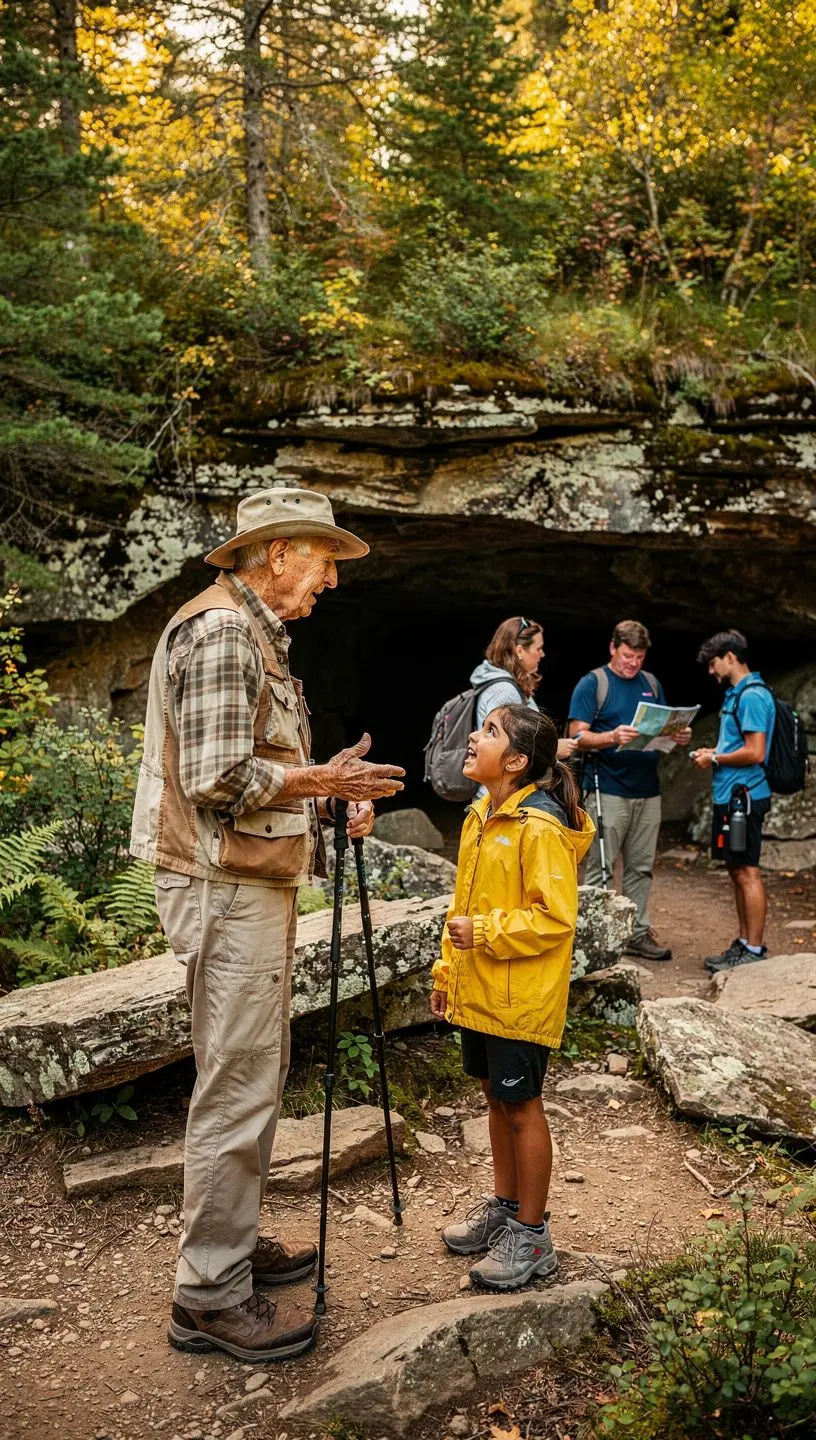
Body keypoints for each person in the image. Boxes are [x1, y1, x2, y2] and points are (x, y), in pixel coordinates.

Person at [130, 487, 405, 1363]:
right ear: (279, 553)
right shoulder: (222, 631)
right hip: (222, 885)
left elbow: (257, 769)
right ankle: (208, 1297)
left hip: (243, 878)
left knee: (252, 1071)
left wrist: (324, 796)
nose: (331, 580)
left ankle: (231, 1247)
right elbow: (214, 777)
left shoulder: (253, 632)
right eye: (324, 560)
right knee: (237, 1082)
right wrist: (321, 782)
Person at [429, 706, 594, 1289]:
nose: (474, 737)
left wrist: (484, 932)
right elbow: (461, 906)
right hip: (482, 991)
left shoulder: (539, 827)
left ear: (517, 761)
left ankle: (533, 1234)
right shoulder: (482, 814)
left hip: (520, 998)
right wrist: (446, 974)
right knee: (495, 1098)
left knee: (522, 1107)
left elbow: (556, 919)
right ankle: (505, 1208)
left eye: (490, 732)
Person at [567, 620, 691, 962]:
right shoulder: (594, 683)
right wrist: (611, 737)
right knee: (602, 866)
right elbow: (575, 735)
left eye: (639, 657)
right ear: (613, 648)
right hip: (607, 787)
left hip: (647, 789)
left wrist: (678, 736)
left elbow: (661, 727)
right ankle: (594, 936)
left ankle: (636, 933)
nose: (632, 663)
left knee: (641, 866)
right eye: (627, 656)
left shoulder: (650, 683)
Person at [692, 628, 775, 972]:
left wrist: (715, 758)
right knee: (736, 870)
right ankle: (743, 943)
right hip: (732, 795)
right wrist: (716, 751)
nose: (711, 670)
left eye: (714, 663)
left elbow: (755, 752)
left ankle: (753, 949)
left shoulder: (752, 696)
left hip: (746, 797)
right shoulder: (737, 695)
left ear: (730, 657)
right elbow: (739, 745)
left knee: (747, 871)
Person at [470, 616, 578, 758]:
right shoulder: (504, 691)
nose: (542, 654)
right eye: (538, 648)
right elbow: (498, 748)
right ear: (520, 651)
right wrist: (553, 750)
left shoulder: (507, 686)